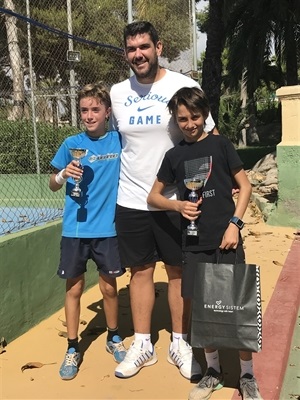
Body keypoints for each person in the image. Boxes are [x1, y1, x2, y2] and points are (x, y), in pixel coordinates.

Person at [110, 20, 218, 380]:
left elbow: (210, 136)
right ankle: (142, 343)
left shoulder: (183, 85)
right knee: (139, 272)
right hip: (131, 199)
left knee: (177, 272)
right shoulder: (117, 92)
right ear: (126, 53)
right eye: (131, 49)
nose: (137, 54)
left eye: (144, 46)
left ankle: (180, 341)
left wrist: (217, 194)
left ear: (159, 46)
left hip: (177, 200)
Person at [147, 86, 263, 400]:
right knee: (203, 311)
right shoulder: (174, 156)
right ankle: (212, 371)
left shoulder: (221, 145)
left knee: (237, 309)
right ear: (175, 120)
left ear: (204, 114)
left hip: (226, 241)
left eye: (194, 117)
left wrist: (234, 226)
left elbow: (245, 186)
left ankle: (247, 376)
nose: (189, 123)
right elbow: (153, 196)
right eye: (182, 118)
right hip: (194, 243)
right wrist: (178, 206)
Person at [49, 82, 126, 380]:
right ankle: (72, 348)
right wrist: (62, 174)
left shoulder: (119, 141)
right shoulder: (71, 144)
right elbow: (52, 184)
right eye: (84, 110)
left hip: (107, 229)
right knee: (75, 289)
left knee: (108, 287)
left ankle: (114, 336)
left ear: (107, 111)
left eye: (96, 109)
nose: (90, 115)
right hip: (74, 230)